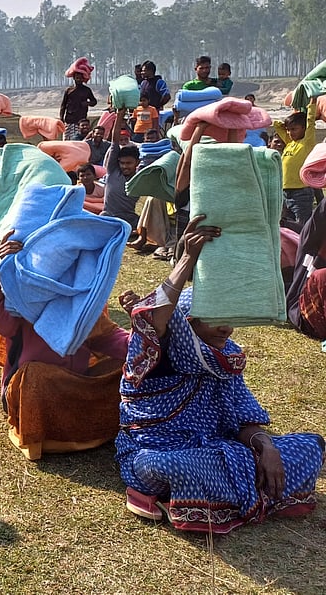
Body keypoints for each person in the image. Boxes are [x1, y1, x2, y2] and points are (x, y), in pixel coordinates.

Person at [116, 217, 325, 533]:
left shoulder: (223, 361)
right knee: (164, 466)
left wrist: (265, 448)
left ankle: (210, 494)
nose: (226, 328)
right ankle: (234, 491)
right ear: (188, 323)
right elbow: (153, 319)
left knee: (309, 446)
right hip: (161, 454)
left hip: (218, 449)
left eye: (229, 318)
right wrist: (187, 258)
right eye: (214, 318)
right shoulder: (155, 353)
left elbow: (243, 418)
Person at [0, 233, 128, 460]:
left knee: (129, 365)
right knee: (36, 376)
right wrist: (5, 273)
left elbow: (112, 339)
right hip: (30, 394)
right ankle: (41, 435)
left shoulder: (84, 306)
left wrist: (145, 327)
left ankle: (79, 427)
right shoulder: (27, 303)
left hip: (74, 388)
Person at [274, 104, 317, 226]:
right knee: (286, 224)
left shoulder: (306, 143)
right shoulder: (289, 143)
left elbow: (311, 122)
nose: (290, 132)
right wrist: (287, 124)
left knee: (302, 225)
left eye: (294, 129)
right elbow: (277, 125)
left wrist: (312, 104)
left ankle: (306, 245)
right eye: (288, 129)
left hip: (301, 192)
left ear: (304, 128)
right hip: (285, 192)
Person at [101, 118, 141, 230]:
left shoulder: (140, 179)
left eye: (128, 163)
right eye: (122, 163)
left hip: (129, 219)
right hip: (108, 216)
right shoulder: (113, 170)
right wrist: (119, 115)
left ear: (137, 163)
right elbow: (115, 140)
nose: (124, 166)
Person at [60, 71, 97, 141]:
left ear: (83, 79)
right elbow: (63, 105)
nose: (79, 80)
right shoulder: (69, 90)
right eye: (77, 78)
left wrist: (87, 103)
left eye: (80, 78)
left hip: (81, 120)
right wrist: (61, 118)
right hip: (69, 119)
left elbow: (94, 102)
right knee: (67, 140)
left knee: (79, 141)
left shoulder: (86, 90)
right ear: (74, 78)